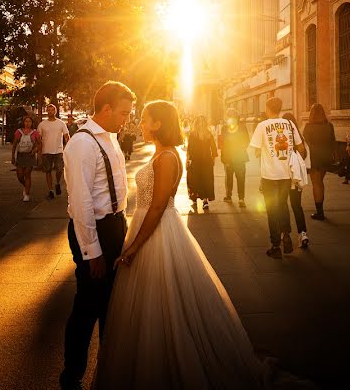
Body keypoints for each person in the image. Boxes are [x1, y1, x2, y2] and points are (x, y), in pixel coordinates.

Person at [94, 100, 267, 389]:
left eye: (145, 119)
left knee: (164, 301)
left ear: (159, 123)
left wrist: (134, 246)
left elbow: (159, 205)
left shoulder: (167, 158)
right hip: (149, 226)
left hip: (158, 231)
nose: (140, 124)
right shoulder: (160, 154)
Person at [58, 82, 134, 390]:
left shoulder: (111, 139)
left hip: (114, 227)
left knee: (111, 304)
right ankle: (72, 376)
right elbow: (81, 202)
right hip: (94, 231)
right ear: (105, 109)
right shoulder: (82, 144)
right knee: (87, 306)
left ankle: (108, 370)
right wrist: (93, 252)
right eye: (123, 113)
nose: (126, 119)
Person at [249, 96, 305, 258]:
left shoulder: (262, 125)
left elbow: (257, 151)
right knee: (282, 204)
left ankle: (275, 245)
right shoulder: (289, 124)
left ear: (267, 109)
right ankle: (286, 234)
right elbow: (300, 148)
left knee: (271, 208)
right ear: (280, 109)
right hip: (286, 174)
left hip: (269, 175)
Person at [303, 103, 336, 220]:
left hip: (314, 158)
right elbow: (333, 142)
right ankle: (320, 210)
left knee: (316, 184)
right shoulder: (329, 126)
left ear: (311, 114)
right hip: (326, 157)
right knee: (320, 183)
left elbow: (305, 143)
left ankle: (320, 212)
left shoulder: (308, 126)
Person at [282, 112, 310, 249]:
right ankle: (303, 233)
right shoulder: (301, 139)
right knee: (297, 206)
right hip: (296, 177)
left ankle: (285, 232)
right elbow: (305, 156)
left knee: (282, 204)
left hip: (283, 176)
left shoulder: (281, 139)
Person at [219, 108, 250, 208]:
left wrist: (240, 148)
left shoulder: (242, 127)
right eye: (229, 116)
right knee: (229, 178)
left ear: (236, 117)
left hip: (239, 157)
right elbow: (221, 143)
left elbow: (246, 140)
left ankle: (241, 199)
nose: (231, 118)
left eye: (233, 116)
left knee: (240, 178)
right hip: (228, 157)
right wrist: (223, 157)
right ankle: (229, 196)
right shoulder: (224, 128)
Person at [38, 104, 70, 200]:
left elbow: (67, 136)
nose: (50, 111)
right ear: (47, 111)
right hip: (46, 151)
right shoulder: (42, 124)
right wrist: (39, 151)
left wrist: (70, 147)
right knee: (48, 171)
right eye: (49, 110)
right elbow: (38, 139)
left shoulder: (61, 123)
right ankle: (50, 190)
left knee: (59, 169)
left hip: (58, 150)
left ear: (55, 111)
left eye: (52, 110)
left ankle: (57, 183)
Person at [186, 115, 217, 212]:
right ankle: (205, 201)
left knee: (194, 180)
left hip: (195, 161)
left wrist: (187, 159)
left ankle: (194, 199)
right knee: (206, 181)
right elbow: (213, 148)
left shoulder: (192, 134)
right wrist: (213, 160)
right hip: (207, 161)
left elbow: (189, 149)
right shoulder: (208, 134)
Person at [11, 114, 40, 202]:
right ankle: (25, 185)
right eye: (26, 121)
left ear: (32, 123)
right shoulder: (18, 132)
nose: (28, 123)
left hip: (29, 156)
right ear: (23, 122)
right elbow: (14, 144)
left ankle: (27, 194)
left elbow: (39, 144)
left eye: (29, 121)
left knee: (27, 174)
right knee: (19, 175)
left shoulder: (35, 132)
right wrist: (12, 156)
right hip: (20, 155)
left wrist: (35, 150)